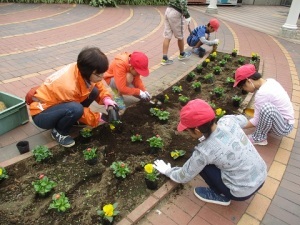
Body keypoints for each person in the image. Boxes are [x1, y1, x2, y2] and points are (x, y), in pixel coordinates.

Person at [154, 99, 267, 206]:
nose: (187, 132)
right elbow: (242, 119)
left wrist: (168, 171)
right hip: (262, 175)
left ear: (197, 130)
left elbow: (184, 176)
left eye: (187, 130)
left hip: (240, 192)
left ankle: (221, 195)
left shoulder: (204, 151)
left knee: (201, 163)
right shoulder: (228, 121)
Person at [28, 47, 118, 148]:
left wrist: (106, 98)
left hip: (59, 106)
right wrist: (98, 118)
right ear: (88, 72)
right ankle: (58, 132)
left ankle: (73, 120)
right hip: (42, 114)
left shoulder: (81, 69)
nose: (102, 77)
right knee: (76, 109)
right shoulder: (69, 86)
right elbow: (77, 108)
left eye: (102, 73)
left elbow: (97, 83)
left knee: (94, 91)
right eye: (99, 74)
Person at [233, 64, 294, 146]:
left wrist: (236, 125)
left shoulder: (262, 93)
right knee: (265, 110)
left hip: (284, 127)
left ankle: (259, 138)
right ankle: (265, 130)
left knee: (267, 109)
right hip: (284, 121)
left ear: (249, 81)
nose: (244, 89)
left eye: (243, 86)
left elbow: (256, 120)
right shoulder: (270, 81)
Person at [161, 0, 192, 66]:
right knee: (180, 36)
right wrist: (187, 16)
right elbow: (182, 2)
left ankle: (164, 58)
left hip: (168, 10)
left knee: (167, 36)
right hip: (176, 13)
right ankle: (182, 54)